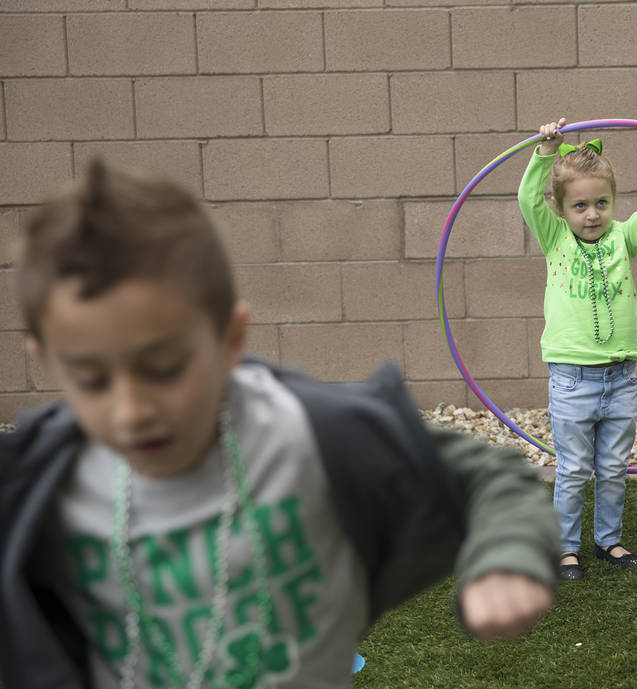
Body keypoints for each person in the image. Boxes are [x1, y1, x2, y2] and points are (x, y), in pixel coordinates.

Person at [0, 160, 559, 689]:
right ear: (47, 359)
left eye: (164, 369)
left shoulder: (312, 433)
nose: (131, 411)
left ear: (230, 339)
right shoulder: (37, 486)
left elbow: (492, 475)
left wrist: (505, 557)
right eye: (91, 380)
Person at [518, 118, 637, 581]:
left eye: (601, 203)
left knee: (612, 467)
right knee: (573, 469)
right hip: (572, 379)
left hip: (621, 377)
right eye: (580, 205)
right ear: (562, 209)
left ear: (612, 203)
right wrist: (545, 153)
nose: (591, 214)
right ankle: (566, 549)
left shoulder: (623, 238)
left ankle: (609, 541)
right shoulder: (555, 239)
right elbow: (528, 198)